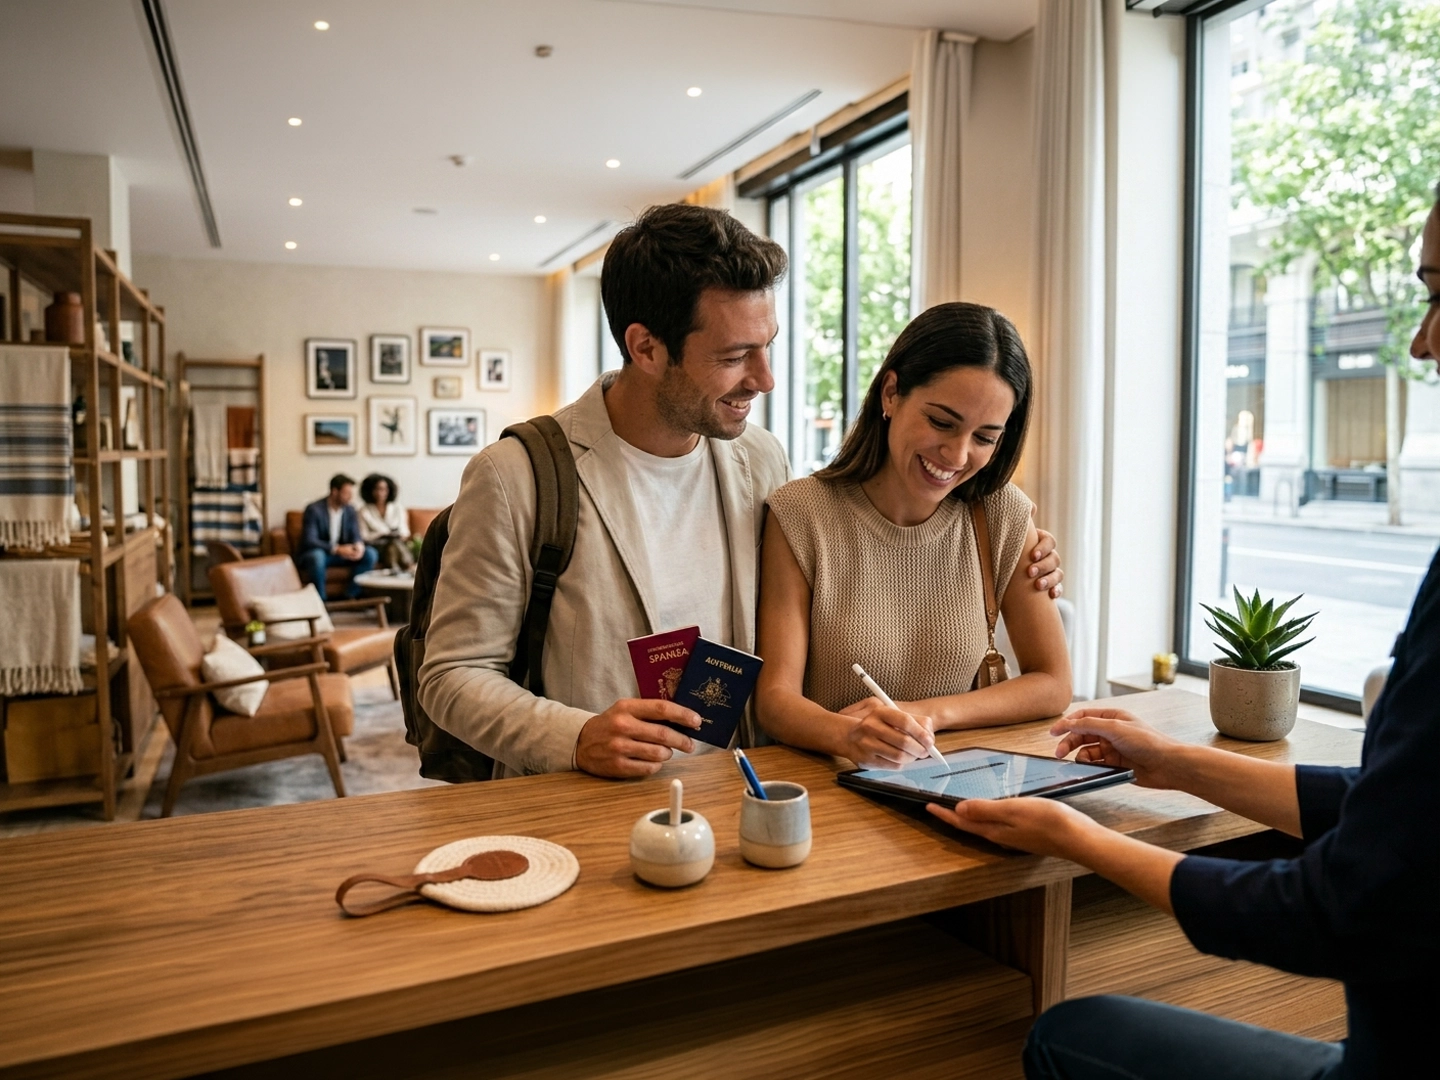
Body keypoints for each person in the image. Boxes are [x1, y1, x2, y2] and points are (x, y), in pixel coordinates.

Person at [927, 187, 1440, 1080]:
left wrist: (1078, 835)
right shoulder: (801, 513)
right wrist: (1173, 763)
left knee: (1063, 1031)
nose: (1421, 341)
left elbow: (1341, 905)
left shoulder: (1004, 518)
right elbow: (1394, 816)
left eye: (1438, 297)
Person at [417, 202, 1069, 780]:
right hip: (583, 800)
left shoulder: (759, 458)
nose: (765, 379)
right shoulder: (516, 475)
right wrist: (577, 736)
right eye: (734, 357)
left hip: (738, 790)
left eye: (768, 348)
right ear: (645, 347)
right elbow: (451, 678)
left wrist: (1021, 548)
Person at [756, 303, 1072, 767]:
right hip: (835, 789)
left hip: (957, 785)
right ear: (891, 393)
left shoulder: (1000, 513)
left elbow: (1054, 682)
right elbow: (775, 701)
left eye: (985, 437)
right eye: (942, 422)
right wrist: (850, 735)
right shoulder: (802, 514)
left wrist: (924, 715)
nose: (957, 454)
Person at [296, 473, 376, 600]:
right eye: (347, 493)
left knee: (370, 554)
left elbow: (356, 534)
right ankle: (321, 601)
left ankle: (350, 596)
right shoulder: (314, 509)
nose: (351, 497)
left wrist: (358, 545)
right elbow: (309, 540)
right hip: (322, 553)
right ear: (334, 492)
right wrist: (337, 549)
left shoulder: (350, 510)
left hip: (343, 555)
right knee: (317, 556)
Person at [358, 473, 412, 571]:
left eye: (384, 489)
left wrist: (397, 535)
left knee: (393, 544)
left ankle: (394, 569)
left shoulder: (397, 508)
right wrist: (381, 534)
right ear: (370, 491)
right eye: (377, 489)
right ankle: (408, 565)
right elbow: (364, 536)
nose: (380, 493)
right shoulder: (364, 511)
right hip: (377, 546)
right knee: (392, 545)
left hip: (396, 543)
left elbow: (405, 532)